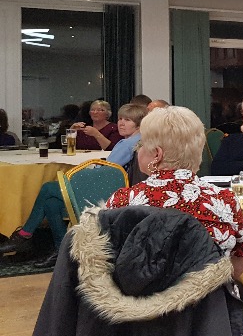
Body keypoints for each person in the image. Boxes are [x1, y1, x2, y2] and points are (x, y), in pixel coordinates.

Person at [106, 106, 243, 279]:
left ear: (157, 154)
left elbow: (106, 266)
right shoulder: (225, 201)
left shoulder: (122, 200)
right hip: (209, 295)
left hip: (140, 295)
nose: (139, 150)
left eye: (141, 144)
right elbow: (239, 267)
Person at [0, 103, 148, 268]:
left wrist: (88, 171)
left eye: (127, 120)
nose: (121, 123)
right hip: (115, 189)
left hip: (107, 192)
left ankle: (24, 235)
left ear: (139, 124)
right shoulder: (139, 141)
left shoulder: (127, 144)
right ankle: (61, 251)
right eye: (120, 119)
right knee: (51, 203)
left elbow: (109, 170)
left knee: (48, 188)